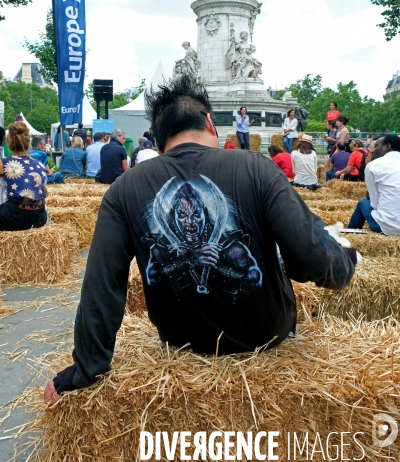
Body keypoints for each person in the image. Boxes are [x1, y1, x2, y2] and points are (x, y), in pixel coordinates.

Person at [43, 75, 357, 404]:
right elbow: (312, 258)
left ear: (159, 142)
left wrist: (85, 370)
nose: (190, 222)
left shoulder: (124, 189)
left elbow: (101, 286)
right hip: (264, 336)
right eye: (181, 216)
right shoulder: (256, 168)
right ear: (210, 121)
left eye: (197, 215)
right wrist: (344, 260)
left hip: (182, 340)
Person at [348, 134, 400, 235]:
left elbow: (374, 203)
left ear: (387, 146)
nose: (372, 150)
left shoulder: (373, 166)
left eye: (376, 146)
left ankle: (347, 239)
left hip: (389, 227)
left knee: (363, 202)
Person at [0, 122, 47, 231]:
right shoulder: (40, 165)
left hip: (12, 217)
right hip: (39, 217)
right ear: (28, 142)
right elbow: (44, 194)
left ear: (9, 142)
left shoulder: (3, 163)